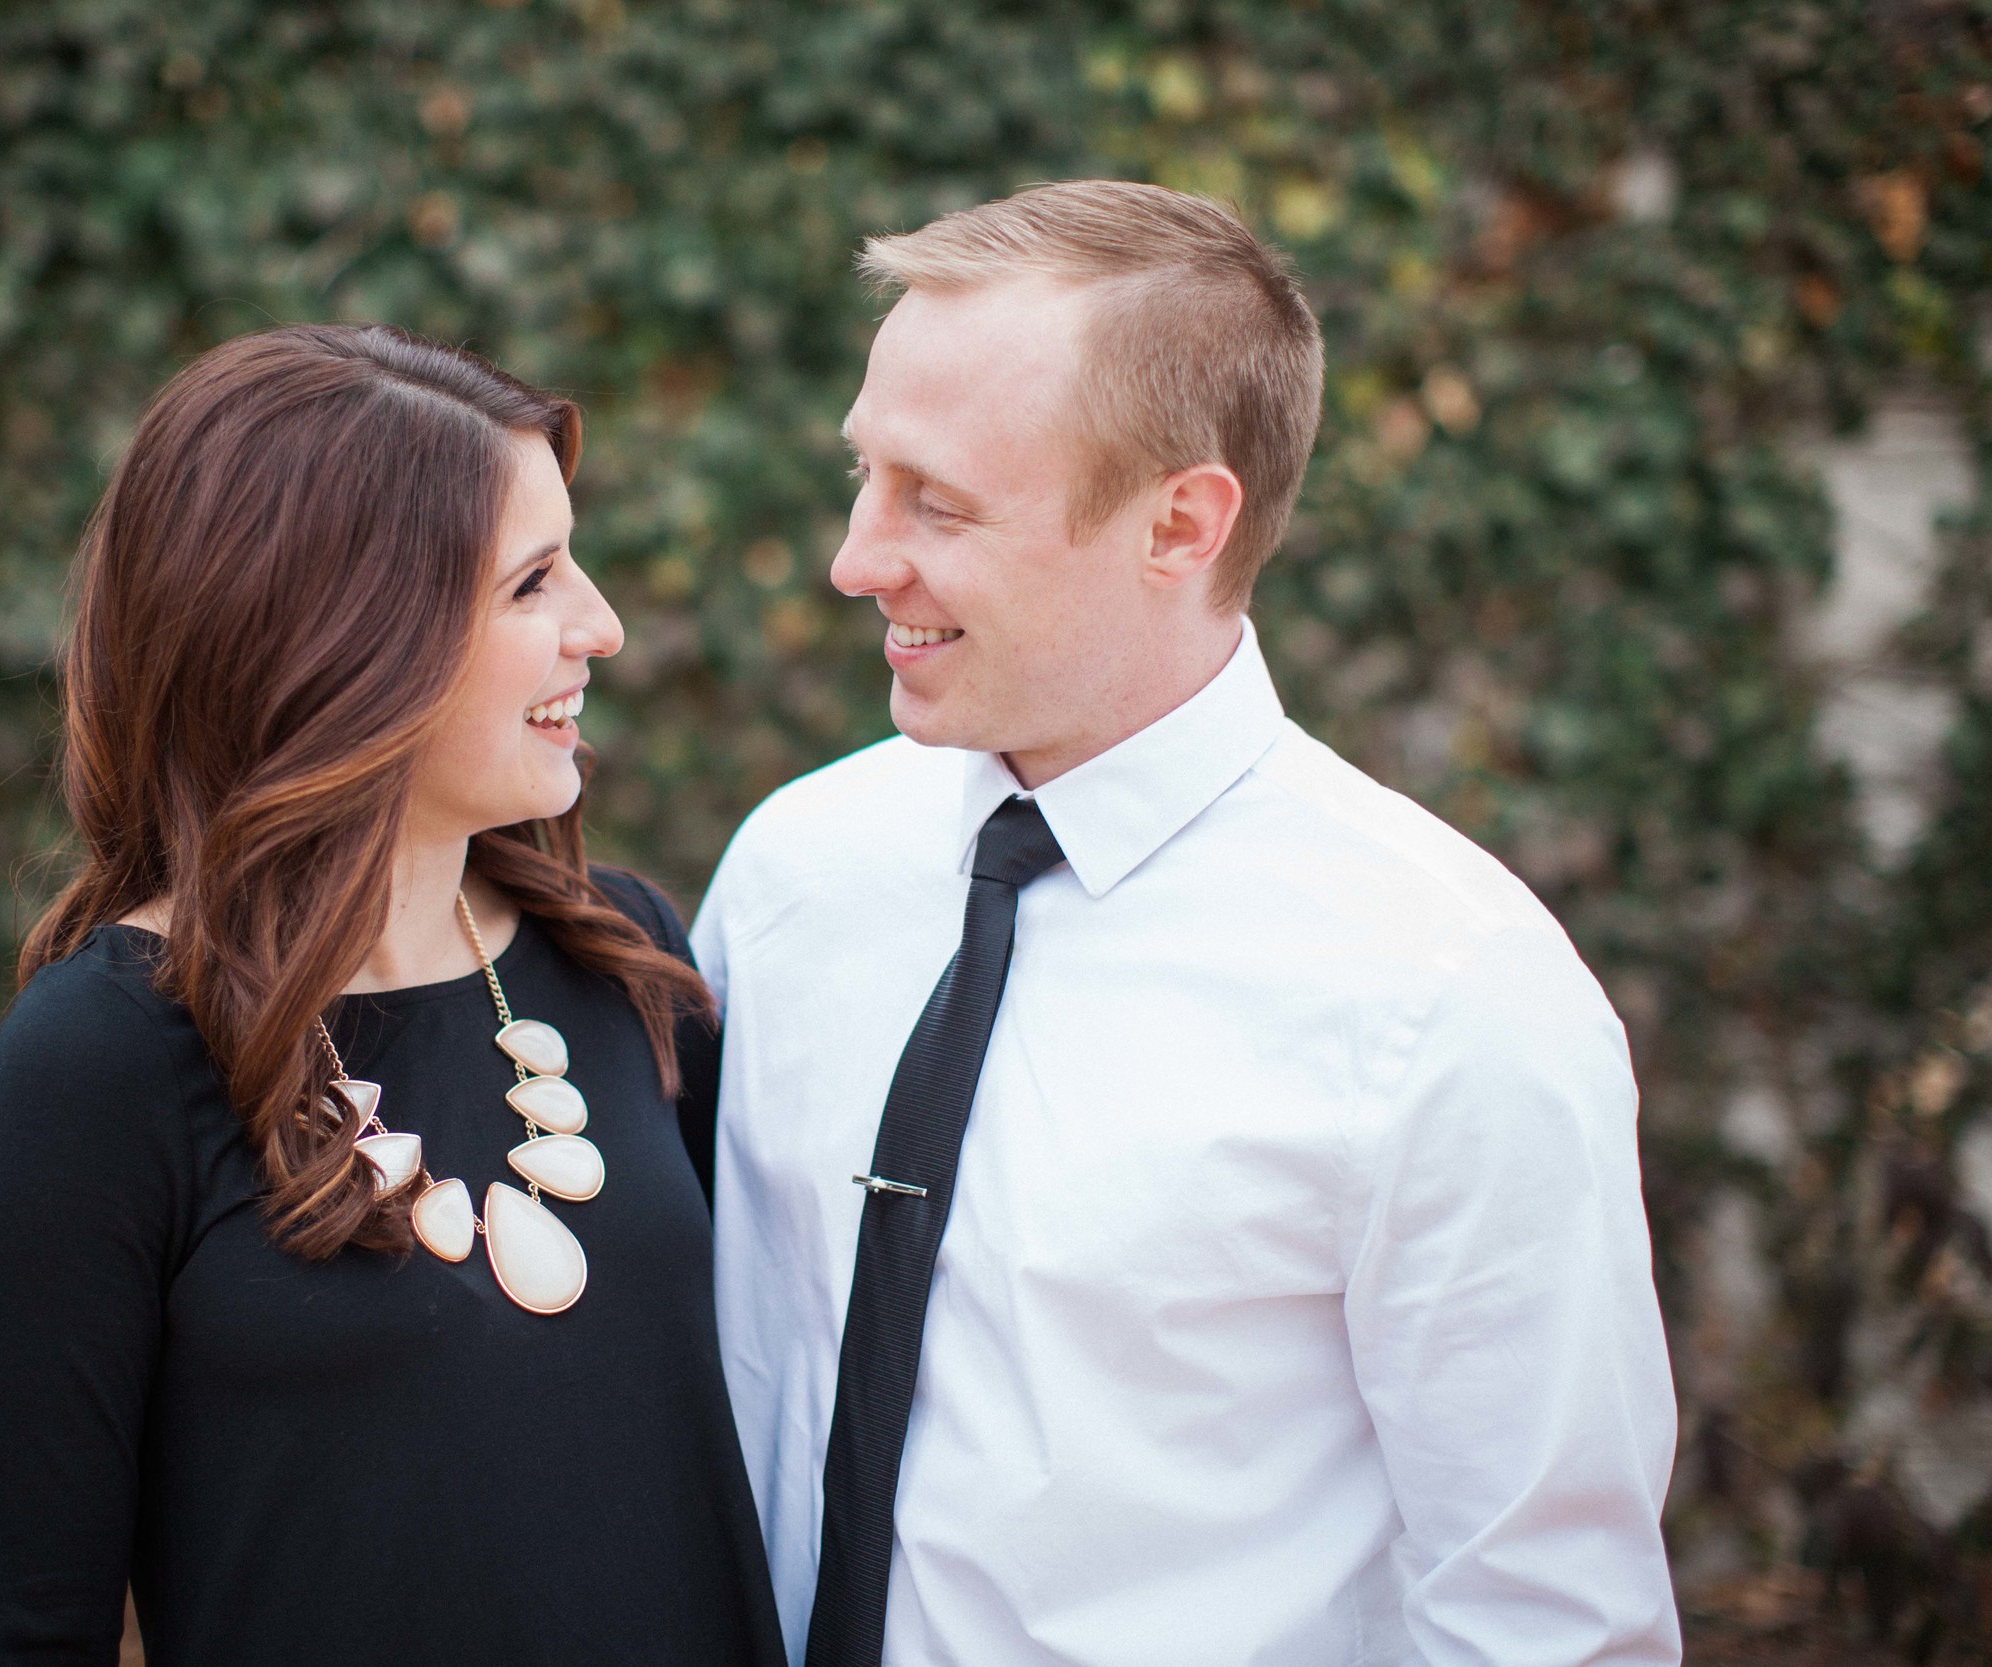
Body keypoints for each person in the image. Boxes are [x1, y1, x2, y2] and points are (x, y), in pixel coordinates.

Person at [696, 182, 1681, 1665]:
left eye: (938, 502)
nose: (855, 557)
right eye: (864, 474)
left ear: (1180, 523)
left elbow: (1543, 1620)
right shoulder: (793, 872)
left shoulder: (1451, 1002)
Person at [0, 324, 785, 1666]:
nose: (600, 625)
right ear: (341, 640)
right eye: (532, 583)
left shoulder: (625, 957)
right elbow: (20, 1630)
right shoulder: (103, 1062)